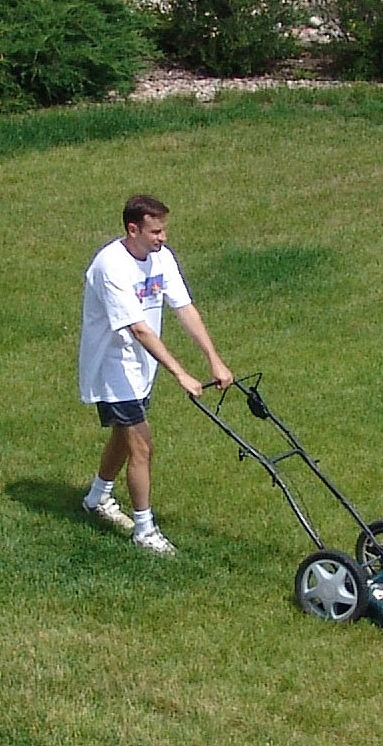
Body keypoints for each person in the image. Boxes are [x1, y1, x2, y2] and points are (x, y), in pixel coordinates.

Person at [78, 194, 233, 555]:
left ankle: (97, 498)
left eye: (164, 230)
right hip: (112, 366)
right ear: (133, 229)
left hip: (140, 366)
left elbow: (185, 307)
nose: (163, 238)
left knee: (124, 435)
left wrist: (214, 359)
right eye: (155, 231)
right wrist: (181, 374)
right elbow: (139, 329)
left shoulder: (161, 258)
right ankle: (144, 530)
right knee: (142, 444)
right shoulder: (110, 267)